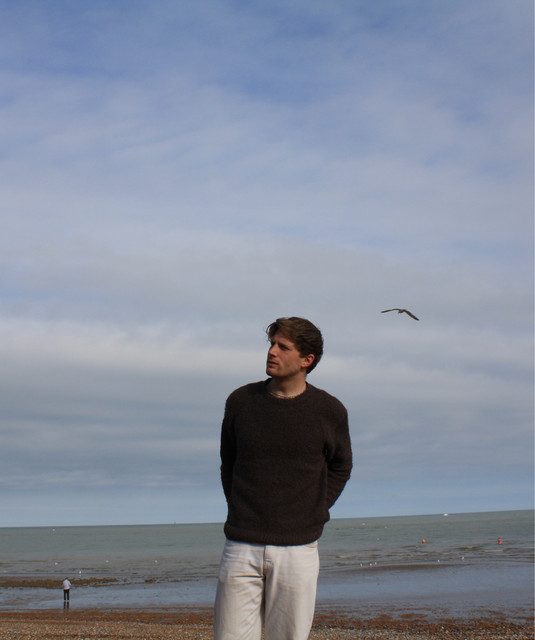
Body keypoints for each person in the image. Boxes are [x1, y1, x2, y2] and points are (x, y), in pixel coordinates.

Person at [214, 317, 352, 640]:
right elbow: (228, 462)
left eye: (283, 347)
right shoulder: (241, 402)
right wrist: (239, 506)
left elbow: (341, 467)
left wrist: (315, 510)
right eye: (271, 344)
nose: (272, 352)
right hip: (241, 545)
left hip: (298, 549)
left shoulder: (329, 410)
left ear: (307, 360)